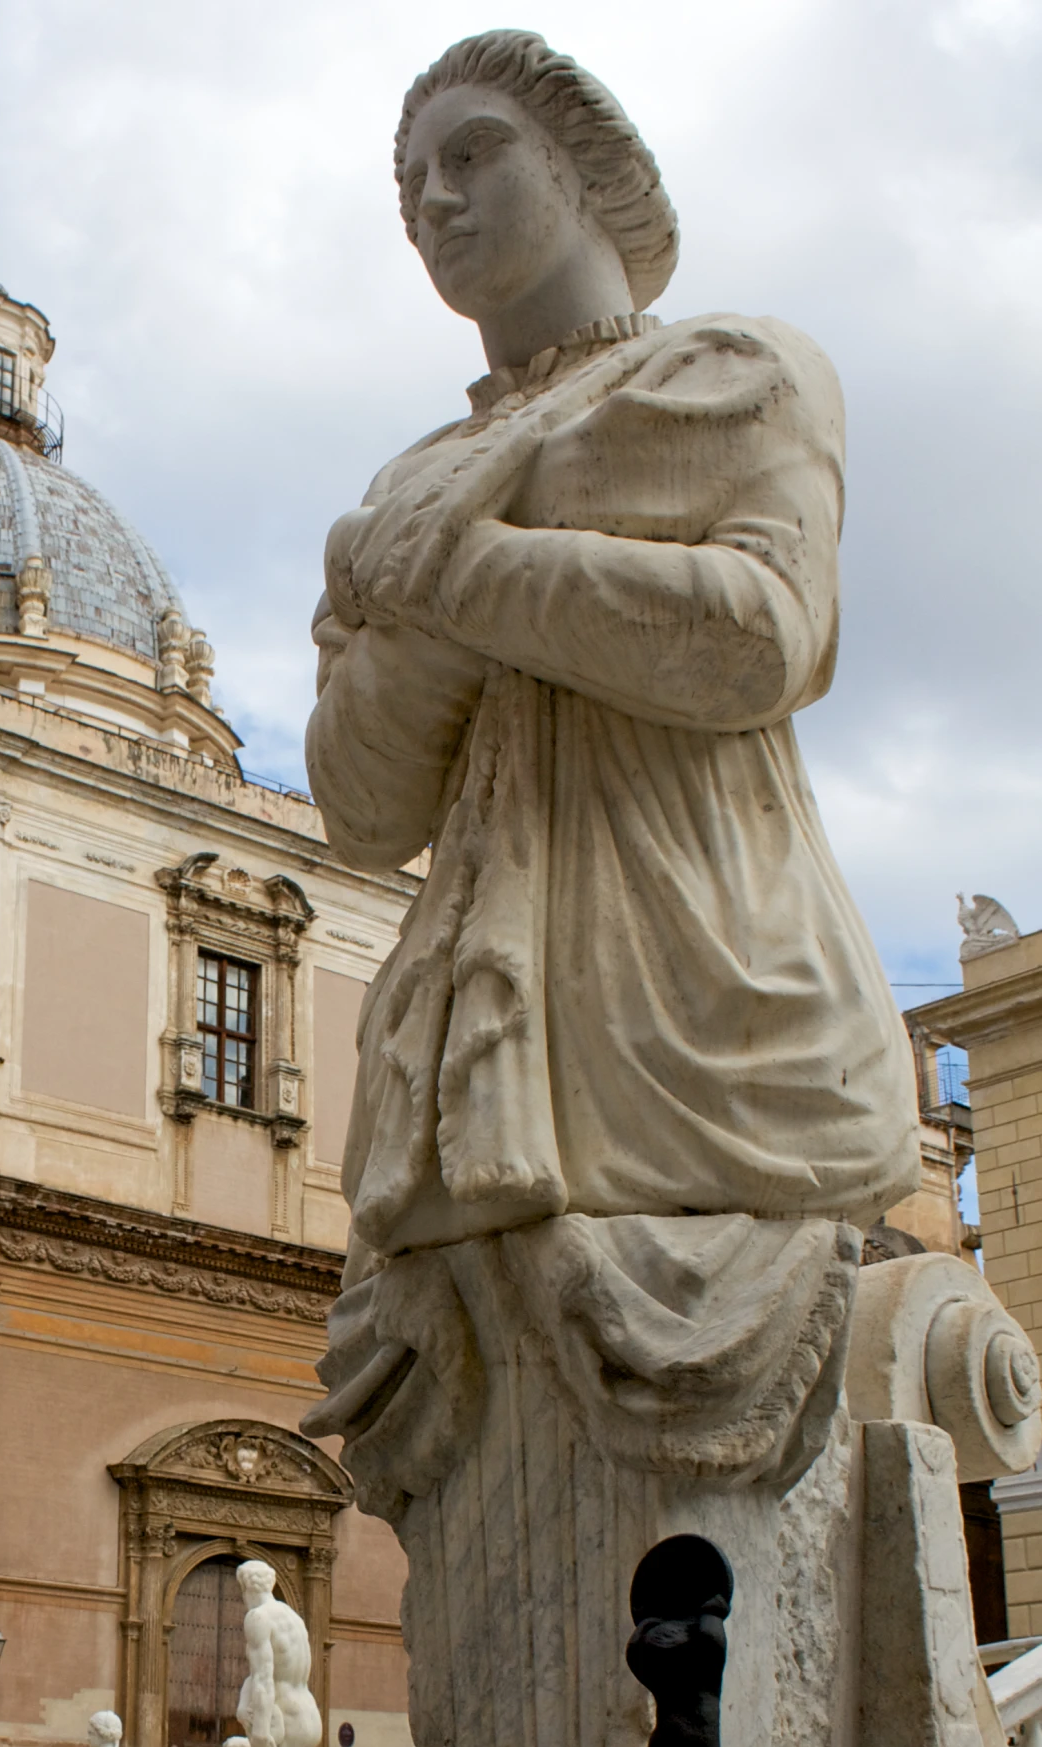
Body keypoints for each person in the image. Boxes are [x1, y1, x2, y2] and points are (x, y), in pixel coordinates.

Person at [304, 28, 919, 1508]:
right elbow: (358, 800)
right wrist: (447, 576)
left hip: (694, 980)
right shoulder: (392, 493)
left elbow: (760, 640)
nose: (432, 202)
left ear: (587, 175)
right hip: (481, 1027)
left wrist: (456, 570)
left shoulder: (738, 372)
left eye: (470, 156)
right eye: (406, 188)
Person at [234, 1562, 321, 1747]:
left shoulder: (258, 1618)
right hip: (309, 1716)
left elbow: (263, 1678)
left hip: (286, 1719)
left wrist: (260, 1730)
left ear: (245, 1588)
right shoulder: (294, 1618)